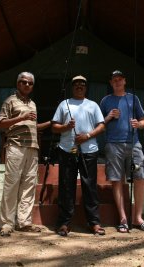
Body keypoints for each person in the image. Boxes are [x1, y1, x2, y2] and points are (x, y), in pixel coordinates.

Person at [0, 71, 51, 236]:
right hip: (15, 146)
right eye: (23, 82)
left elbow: (32, 126)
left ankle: (24, 222)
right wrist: (21, 117)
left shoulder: (33, 104)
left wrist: (50, 123)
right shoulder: (10, 101)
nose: (27, 85)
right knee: (11, 185)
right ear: (18, 83)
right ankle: (6, 224)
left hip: (32, 148)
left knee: (28, 186)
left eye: (30, 83)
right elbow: (0, 124)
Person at [52, 75, 106, 236]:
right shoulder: (64, 104)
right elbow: (54, 127)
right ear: (72, 87)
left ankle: (94, 223)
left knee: (90, 187)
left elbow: (101, 126)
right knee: (66, 186)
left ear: (86, 87)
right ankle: (64, 223)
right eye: (76, 84)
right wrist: (66, 127)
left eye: (82, 84)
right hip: (67, 150)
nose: (79, 86)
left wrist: (87, 136)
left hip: (89, 150)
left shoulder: (93, 105)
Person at [100, 70, 144, 233]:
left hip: (134, 143)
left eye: (120, 79)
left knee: (140, 178)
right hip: (113, 145)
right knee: (117, 180)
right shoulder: (105, 100)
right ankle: (123, 218)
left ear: (124, 81)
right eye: (114, 80)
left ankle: (137, 217)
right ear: (111, 83)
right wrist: (109, 116)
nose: (117, 82)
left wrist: (139, 124)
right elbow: (99, 124)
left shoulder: (133, 98)